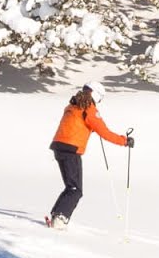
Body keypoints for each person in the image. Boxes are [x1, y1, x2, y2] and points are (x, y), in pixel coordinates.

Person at [45, 84, 131, 229]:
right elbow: (105, 132)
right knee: (75, 189)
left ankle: (57, 214)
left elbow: (76, 125)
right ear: (96, 94)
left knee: (71, 187)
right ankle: (59, 219)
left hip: (59, 147)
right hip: (71, 149)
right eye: (100, 99)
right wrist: (124, 141)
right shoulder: (89, 109)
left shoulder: (73, 105)